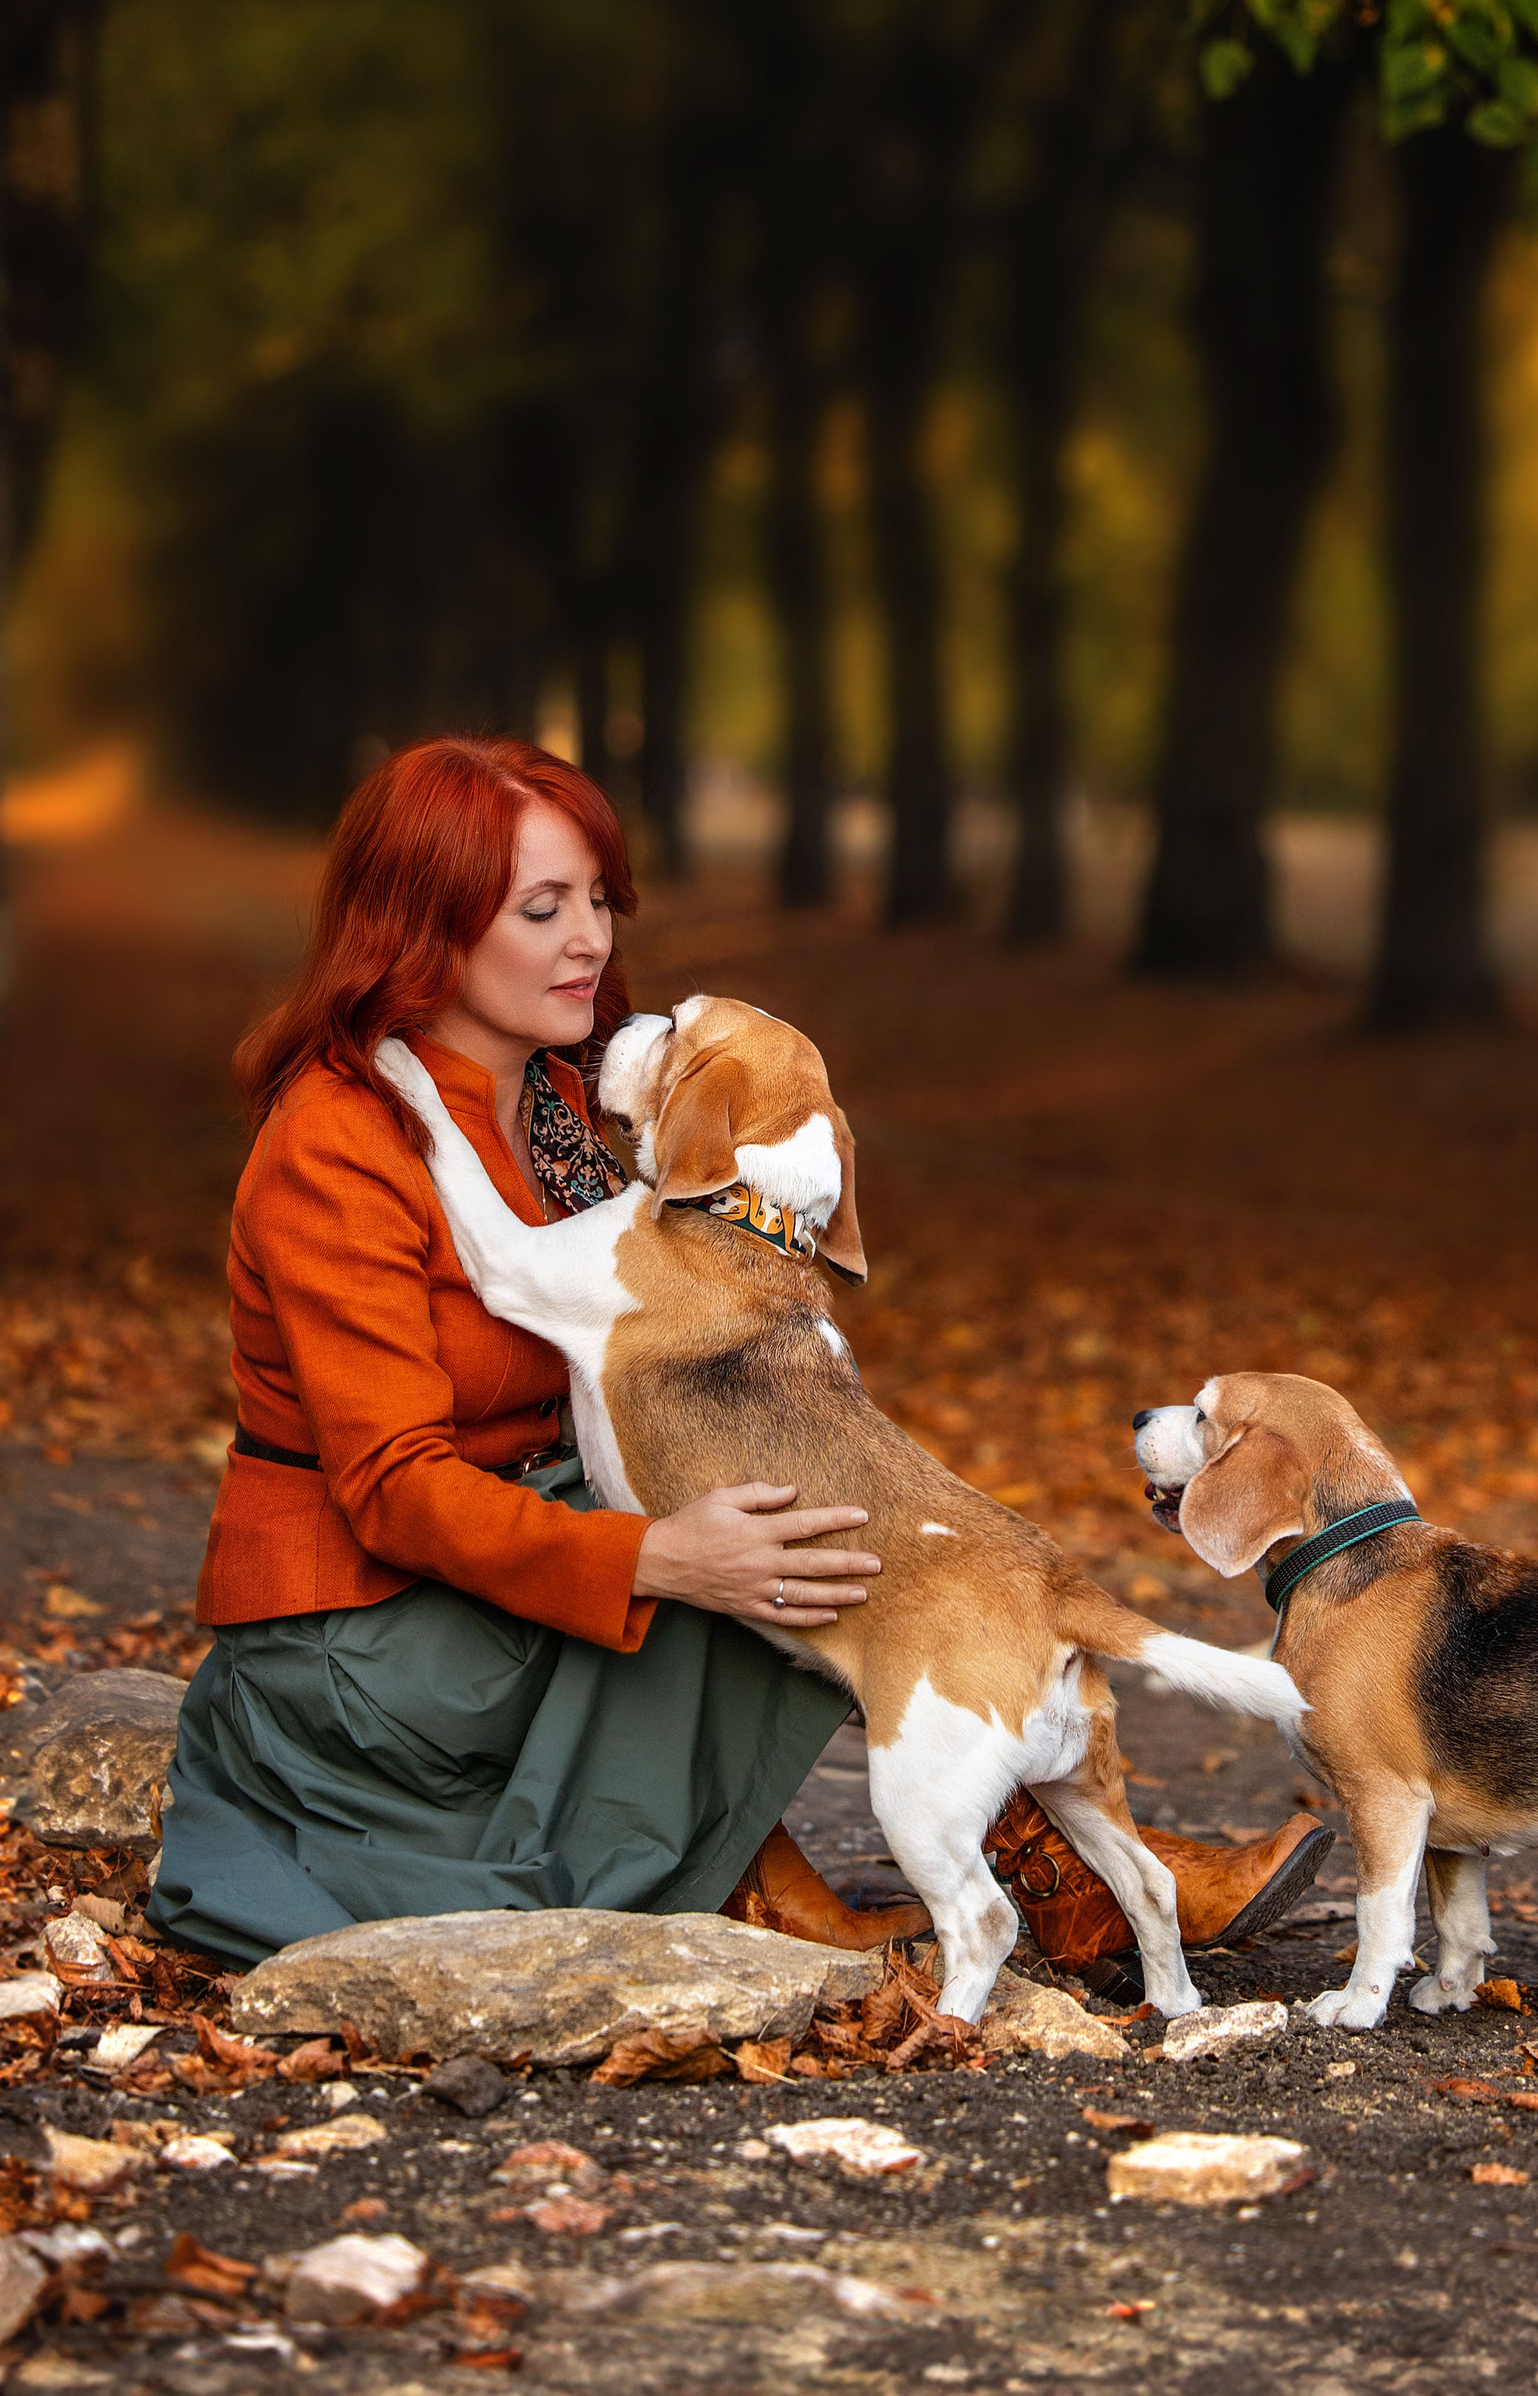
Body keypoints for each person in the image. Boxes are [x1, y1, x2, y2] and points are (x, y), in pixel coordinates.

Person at [149, 735, 1325, 1975]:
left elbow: (685, 1335)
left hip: (524, 1527)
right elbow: (391, 1487)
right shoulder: (336, 1140)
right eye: (541, 908)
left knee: (837, 1517)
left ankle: (1080, 1866)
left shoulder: (568, 1095)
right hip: (369, 1623)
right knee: (764, 1545)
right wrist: (656, 1551)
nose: (590, 938)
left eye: (599, 898)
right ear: (419, 926)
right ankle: (830, 1878)